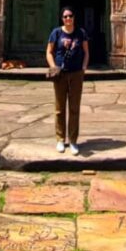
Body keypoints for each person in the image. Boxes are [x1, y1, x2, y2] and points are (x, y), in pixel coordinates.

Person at [46, 8, 89, 155]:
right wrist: (53, 67)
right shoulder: (56, 33)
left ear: (74, 17)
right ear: (62, 18)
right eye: (65, 16)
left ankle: (73, 141)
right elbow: (49, 51)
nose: (68, 18)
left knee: (74, 107)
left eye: (70, 16)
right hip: (60, 74)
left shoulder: (80, 33)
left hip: (76, 73)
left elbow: (86, 51)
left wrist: (84, 68)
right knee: (59, 108)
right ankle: (60, 139)